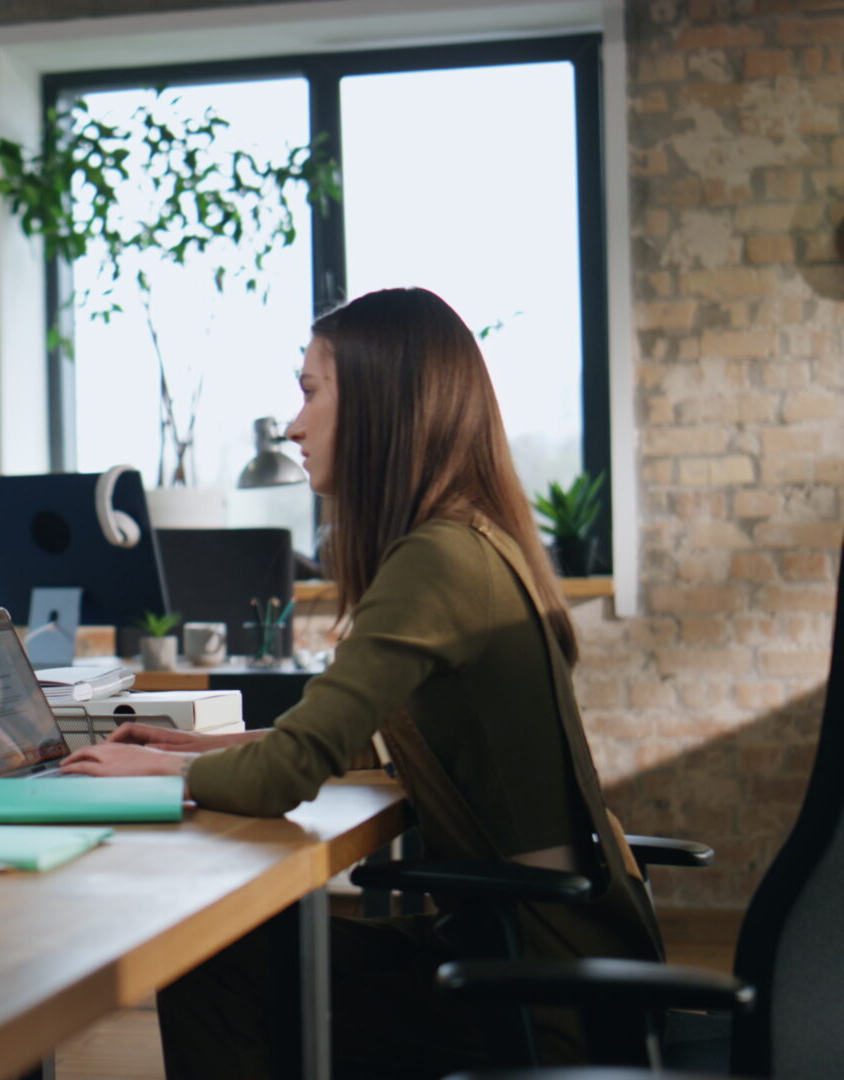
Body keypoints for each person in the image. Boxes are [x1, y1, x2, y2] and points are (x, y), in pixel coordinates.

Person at [62, 288, 660, 1077]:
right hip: (550, 951)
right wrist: (193, 751)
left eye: (311, 391)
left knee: (209, 959)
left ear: (384, 404)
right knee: (236, 953)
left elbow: (287, 777)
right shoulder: (478, 541)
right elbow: (378, 743)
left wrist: (159, 775)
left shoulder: (438, 560)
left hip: (531, 988)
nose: (293, 423)